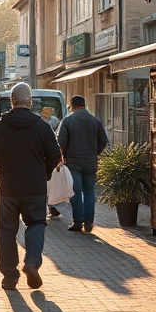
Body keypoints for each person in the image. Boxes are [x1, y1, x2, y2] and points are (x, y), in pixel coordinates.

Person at [0, 82, 61, 290]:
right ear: (31, 102)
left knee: (7, 230)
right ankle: (32, 262)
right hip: (35, 186)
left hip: (7, 186)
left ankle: (9, 276)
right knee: (35, 223)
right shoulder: (42, 127)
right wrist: (44, 172)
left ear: (12, 102)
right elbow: (55, 154)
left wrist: (2, 169)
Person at [56, 94, 109, 233]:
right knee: (90, 191)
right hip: (90, 162)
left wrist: (65, 154)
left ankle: (78, 222)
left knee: (76, 191)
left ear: (72, 106)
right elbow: (104, 140)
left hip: (73, 162)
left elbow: (61, 140)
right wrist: (94, 152)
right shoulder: (95, 121)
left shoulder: (67, 120)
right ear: (84, 105)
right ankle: (89, 222)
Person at [40, 106, 63, 218]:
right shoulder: (40, 123)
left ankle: (50, 206)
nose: (47, 113)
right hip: (44, 164)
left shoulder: (55, 121)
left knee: (49, 187)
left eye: (49, 111)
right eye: (46, 111)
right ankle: (50, 206)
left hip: (44, 164)